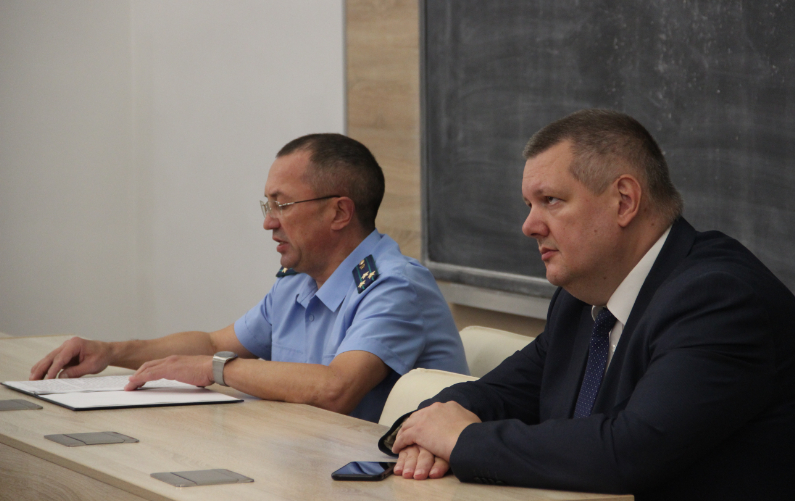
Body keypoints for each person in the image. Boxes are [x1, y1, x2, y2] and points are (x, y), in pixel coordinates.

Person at [381, 110, 795, 499]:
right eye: (529, 205)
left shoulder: (719, 299)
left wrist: (462, 441)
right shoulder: (581, 300)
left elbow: (628, 452)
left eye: (551, 200)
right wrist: (428, 430)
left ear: (624, 201)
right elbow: (498, 393)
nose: (529, 226)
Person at [30, 133, 468, 423]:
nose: (269, 222)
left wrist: (217, 369)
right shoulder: (298, 280)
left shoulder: (394, 286)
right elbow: (212, 343)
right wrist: (109, 351)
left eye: (282, 205)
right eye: (267, 206)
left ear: (339, 212)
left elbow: (336, 389)